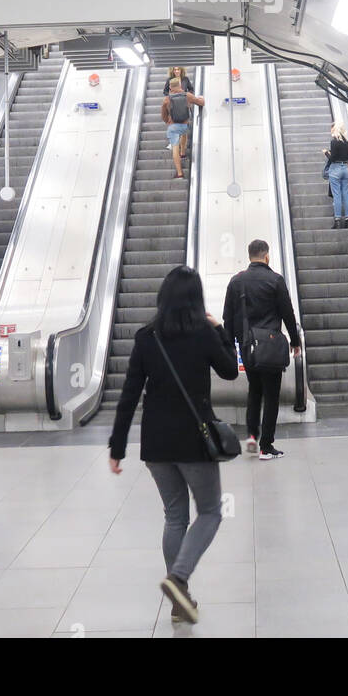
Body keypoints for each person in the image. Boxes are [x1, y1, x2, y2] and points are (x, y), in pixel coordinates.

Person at [108, 266, 238, 625]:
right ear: (197, 300)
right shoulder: (203, 334)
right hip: (194, 440)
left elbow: (130, 393)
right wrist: (220, 329)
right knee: (210, 511)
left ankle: (180, 601)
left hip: (156, 443)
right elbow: (230, 370)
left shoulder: (147, 337)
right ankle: (178, 578)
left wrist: (117, 446)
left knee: (175, 516)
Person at [223, 239, 302, 460]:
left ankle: (251, 436)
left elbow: (227, 318)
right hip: (270, 347)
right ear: (266, 256)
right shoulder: (275, 280)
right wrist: (295, 342)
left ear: (249, 256)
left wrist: (230, 347)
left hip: (247, 347)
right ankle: (266, 446)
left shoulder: (236, 281)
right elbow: (288, 313)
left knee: (254, 390)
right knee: (271, 395)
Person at [161, 84, 204, 180]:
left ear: (171, 88)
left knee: (174, 148)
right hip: (184, 125)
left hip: (173, 126)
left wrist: (167, 121)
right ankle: (183, 153)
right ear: (180, 85)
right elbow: (201, 103)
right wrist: (201, 98)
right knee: (184, 134)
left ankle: (180, 174)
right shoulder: (187, 95)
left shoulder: (167, 99)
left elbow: (164, 116)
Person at [326, 123, 348, 228]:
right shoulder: (347, 143)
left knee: (337, 195)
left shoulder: (334, 142)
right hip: (345, 169)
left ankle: (337, 220)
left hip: (336, 170)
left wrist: (326, 153)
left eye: (332, 129)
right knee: (346, 194)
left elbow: (332, 158)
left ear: (335, 131)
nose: (331, 131)